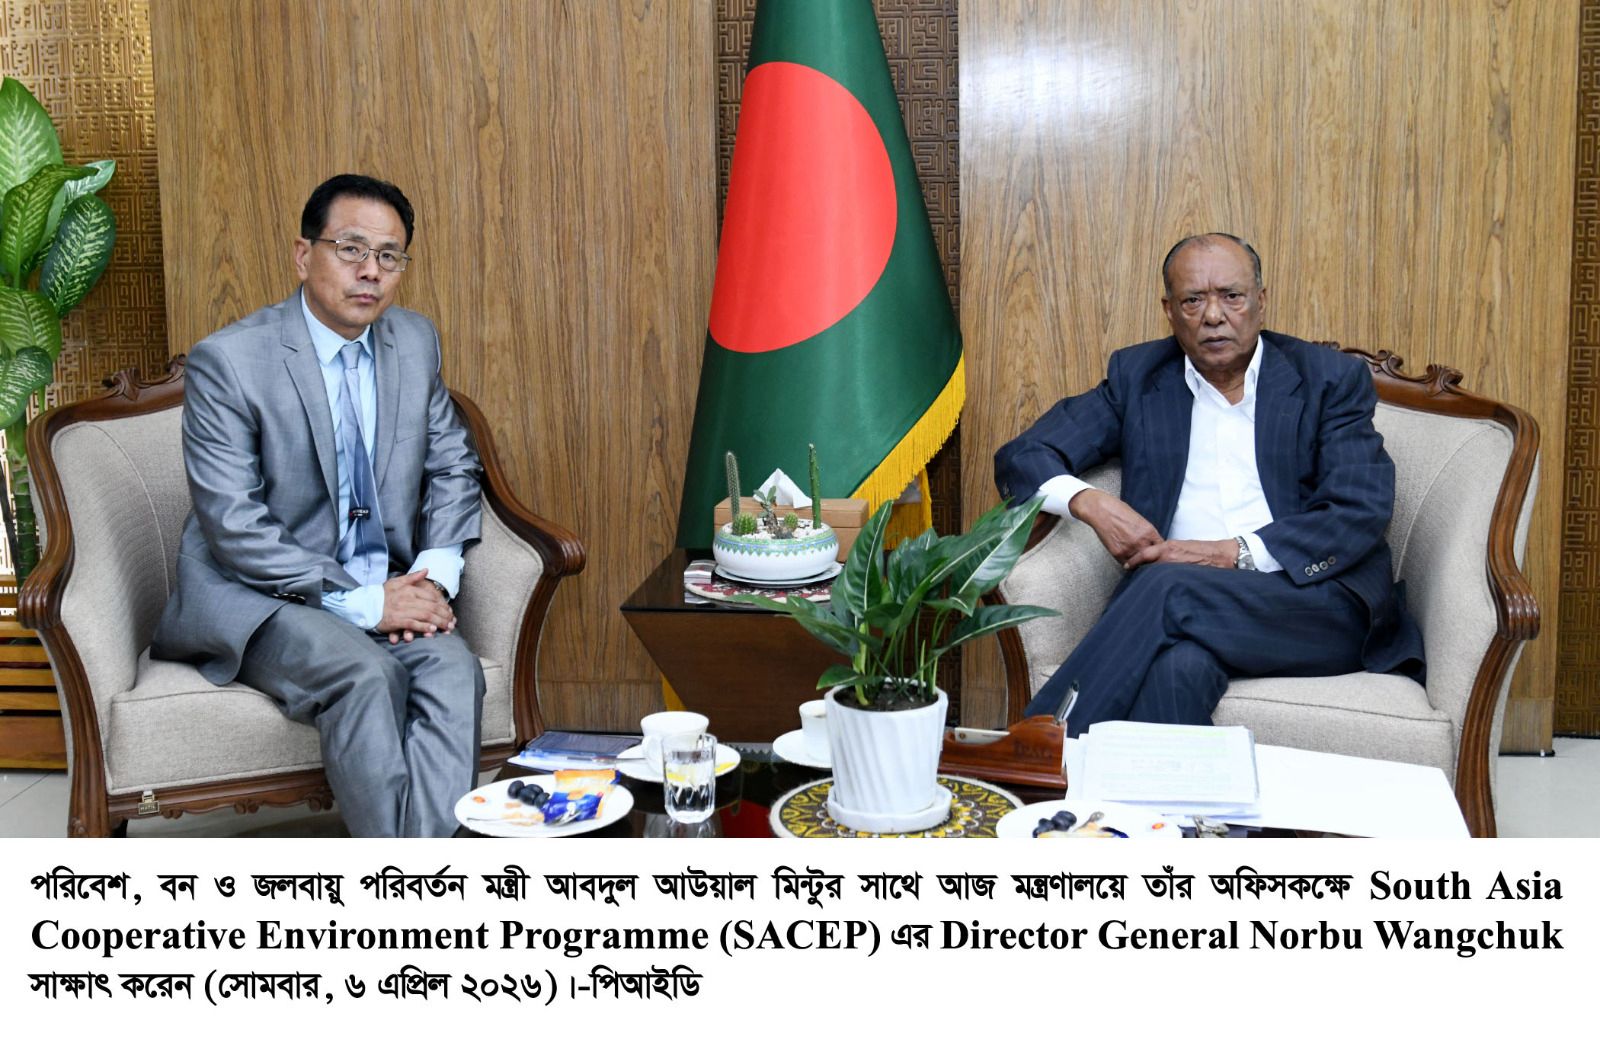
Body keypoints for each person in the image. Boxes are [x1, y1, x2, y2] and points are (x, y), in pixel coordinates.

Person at [152, 173, 485, 836]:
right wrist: (365, 602)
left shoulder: (414, 340)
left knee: (454, 670)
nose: (371, 272)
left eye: (389, 256)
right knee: (364, 672)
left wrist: (432, 575)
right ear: (304, 256)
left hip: (387, 585)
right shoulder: (230, 361)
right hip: (262, 597)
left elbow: (453, 462)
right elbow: (233, 525)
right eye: (351, 249)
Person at [994, 233, 1423, 734]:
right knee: (1177, 671)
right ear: (1169, 311)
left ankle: (1035, 750)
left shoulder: (1328, 379)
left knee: (1166, 586)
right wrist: (1090, 502)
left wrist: (1230, 553)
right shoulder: (1139, 378)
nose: (1214, 316)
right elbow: (1022, 456)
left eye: (1231, 296)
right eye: (1193, 300)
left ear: (1261, 301)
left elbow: (1359, 507)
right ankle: (1169, 793)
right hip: (1188, 610)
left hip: (1314, 605)